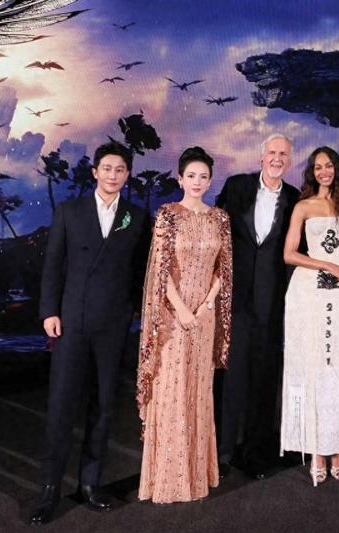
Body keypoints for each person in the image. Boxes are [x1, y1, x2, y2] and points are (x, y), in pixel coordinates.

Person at [30, 142, 151, 525]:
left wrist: (132, 309)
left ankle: (90, 484)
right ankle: (50, 489)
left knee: (103, 406)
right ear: (96, 172)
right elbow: (53, 265)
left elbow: (140, 270)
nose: (113, 175)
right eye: (107, 168)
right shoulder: (70, 211)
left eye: (120, 169)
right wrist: (49, 311)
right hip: (71, 322)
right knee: (61, 405)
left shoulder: (136, 217)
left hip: (112, 326)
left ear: (127, 175)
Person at [137, 146, 232, 502]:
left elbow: (224, 269)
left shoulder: (220, 218)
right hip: (173, 318)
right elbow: (160, 270)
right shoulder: (167, 215)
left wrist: (205, 306)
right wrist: (182, 311)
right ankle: (168, 479)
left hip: (205, 318)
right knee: (172, 389)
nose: (197, 181)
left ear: (210, 180)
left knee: (199, 389)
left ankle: (197, 475)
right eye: (191, 175)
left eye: (203, 176)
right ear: (179, 179)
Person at [280, 146, 339, 485]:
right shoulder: (303, 206)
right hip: (310, 292)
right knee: (314, 365)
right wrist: (326, 265)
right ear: (311, 172)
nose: (323, 172)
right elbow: (289, 254)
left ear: (337, 169)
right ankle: (316, 447)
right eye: (317, 167)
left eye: (329, 166)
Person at [215, 133, 300, 479]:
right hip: (234, 300)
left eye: (283, 154)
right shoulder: (236, 186)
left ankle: (255, 455)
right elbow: (215, 234)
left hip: (272, 304)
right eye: (272, 153)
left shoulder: (296, 199)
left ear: (289, 161)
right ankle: (220, 453)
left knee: (264, 381)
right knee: (229, 378)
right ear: (261, 156)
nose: (277, 159)